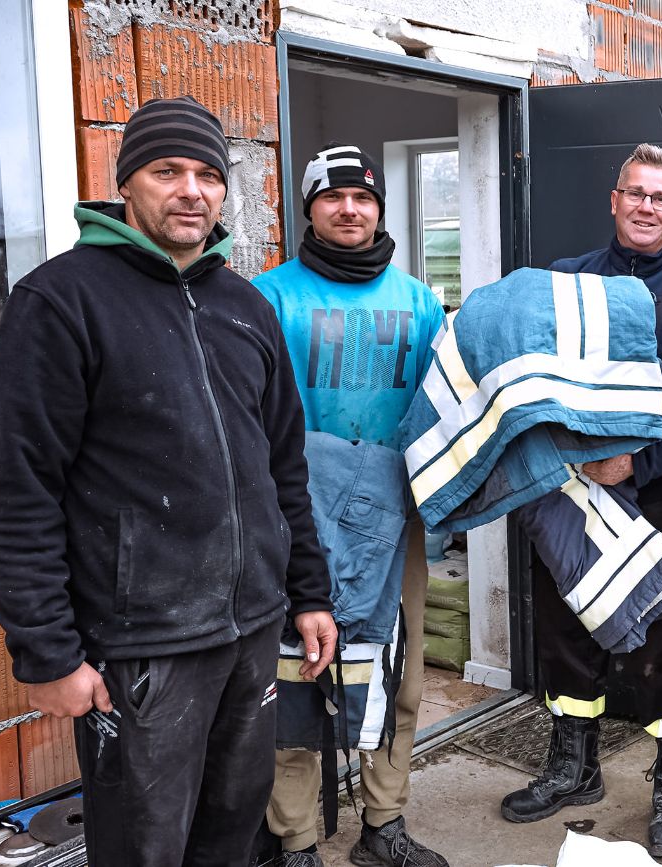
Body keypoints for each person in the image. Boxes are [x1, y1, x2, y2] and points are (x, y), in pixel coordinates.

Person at [0, 95, 336, 867]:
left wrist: (308, 593)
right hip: (142, 651)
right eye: (167, 171)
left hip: (250, 635)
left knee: (233, 834)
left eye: (208, 175)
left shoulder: (246, 307)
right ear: (126, 182)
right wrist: (46, 652)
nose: (191, 191)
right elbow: (21, 490)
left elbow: (283, 467)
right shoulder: (60, 301)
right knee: (144, 850)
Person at [498, 143, 662, 858]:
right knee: (565, 630)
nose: (645, 207)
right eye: (635, 193)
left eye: (660, 198)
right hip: (567, 492)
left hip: (657, 499)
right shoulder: (566, 280)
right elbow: (531, 370)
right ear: (614, 200)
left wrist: (635, 461)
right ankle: (575, 766)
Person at [252, 143, 448, 867]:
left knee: (395, 672)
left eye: (363, 197)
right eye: (332, 196)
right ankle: (296, 837)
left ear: (378, 208)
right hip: (295, 519)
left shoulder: (419, 302)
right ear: (309, 207)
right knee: (296, 677)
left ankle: (383, 822)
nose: (349, 209)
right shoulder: (269, 297)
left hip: (393, 524)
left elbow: (442, 411)